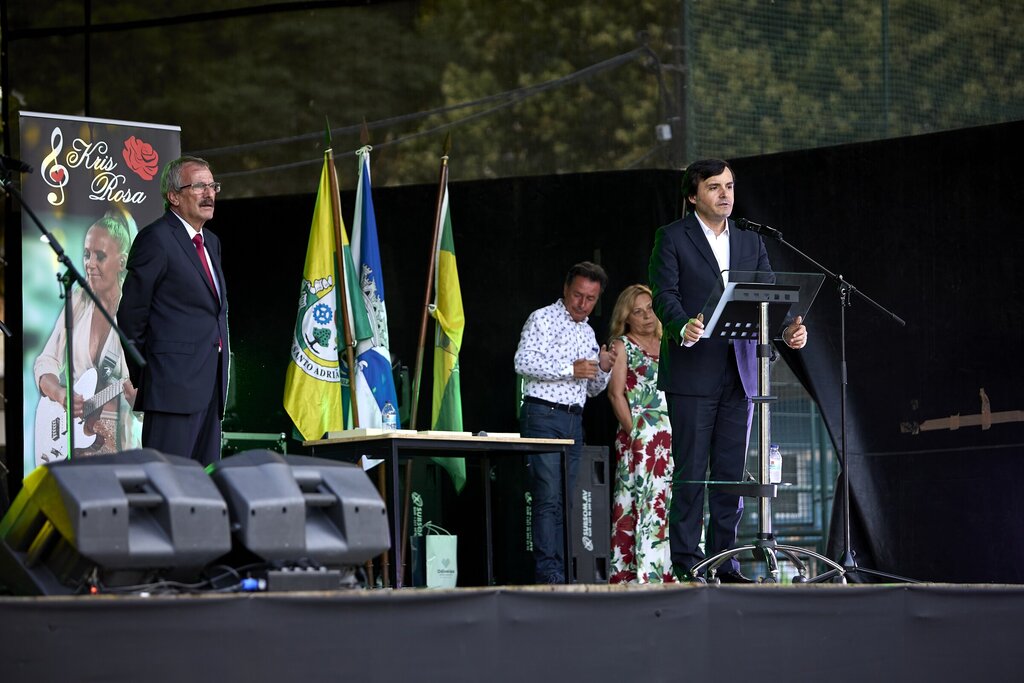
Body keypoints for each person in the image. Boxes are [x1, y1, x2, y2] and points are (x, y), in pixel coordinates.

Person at [649, 158, 807, 582]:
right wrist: (683, 324)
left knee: (730, 473)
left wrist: (788, 331)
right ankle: (686, 561)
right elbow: (663, 294)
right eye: (715, 187)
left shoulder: (750, 241)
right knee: (691, 471)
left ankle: (725, 561)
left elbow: (769, 300)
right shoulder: (672, 237)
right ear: (693, 194)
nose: (725, 195)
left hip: (742, 370)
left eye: (730, 186)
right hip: (692, 369)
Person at [118, 156, 230, 466]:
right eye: (199, 186)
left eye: (212, 186)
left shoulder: (212, 243)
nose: (209, 193)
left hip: (210, 386)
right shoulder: (156, 239)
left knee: (203, 485)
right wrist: (149, 375)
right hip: (170, 390)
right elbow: (130, 315)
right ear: (174, 197)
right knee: (168, 484)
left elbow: (212, 313)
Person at [514, 261, 617, 584]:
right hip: (543, 414)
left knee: (566, 499)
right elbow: (523, 361)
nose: (582, 304)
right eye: (577, 295)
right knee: (548, 497)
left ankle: (561, 570)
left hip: (574, 420)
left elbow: (594, 388)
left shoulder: (587, 331)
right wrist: (569, 368)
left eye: (590, 298)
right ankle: (549, 573)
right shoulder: (542, 318)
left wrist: (603, 368)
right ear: (565, 289)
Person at [33, 209, 140, 464]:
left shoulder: (136, 310)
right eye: (86, 254)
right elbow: (45, 362)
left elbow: (146, 396)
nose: (90, 263)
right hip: (70, 440)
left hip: (121, 443)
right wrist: (59, 393)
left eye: (99, 256)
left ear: (122, 262)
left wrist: (141, 402)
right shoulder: (78, 300)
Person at [607, 284, 675, 584]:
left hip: (674, 439)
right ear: (627, 317)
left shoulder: (671, 342)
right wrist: (635, 433)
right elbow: (615, 394)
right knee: (641, 503)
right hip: (641, 443)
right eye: (638, 311)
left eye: (650, 308)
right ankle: (638, 574)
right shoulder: (622, 345)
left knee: (672, 504)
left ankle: (672, 571)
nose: (647, 316)